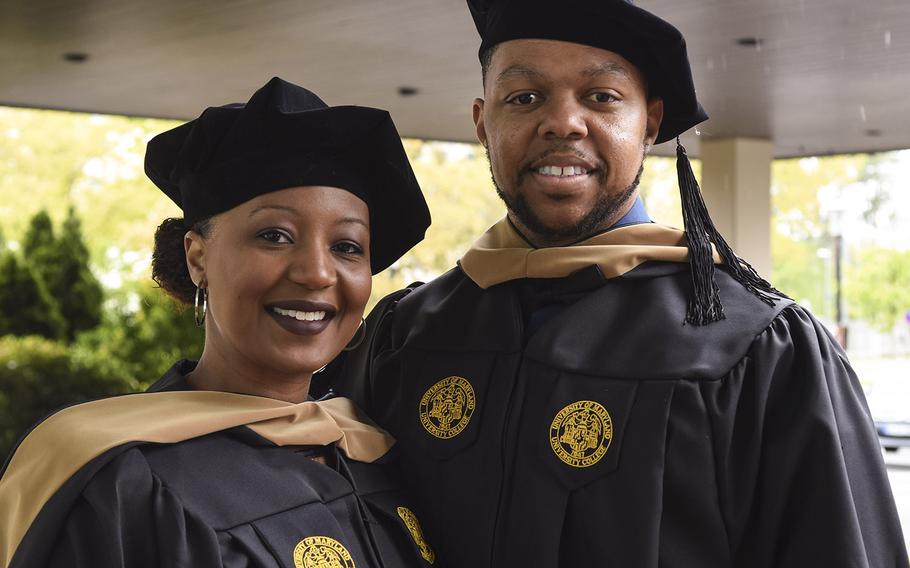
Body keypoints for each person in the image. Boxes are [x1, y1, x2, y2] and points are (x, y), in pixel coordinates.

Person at [331, 1, 909, 566]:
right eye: (524, 97)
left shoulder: (756, 347)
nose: (562, 121)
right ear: (484, 123)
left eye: (601, 97)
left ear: (650, 124)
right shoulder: (405, 333)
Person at [0, 77, 438, 568]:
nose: (317, 273)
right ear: (198, 257)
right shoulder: (122, 482)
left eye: (347, 247)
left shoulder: (375, 451)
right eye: (274, 236)